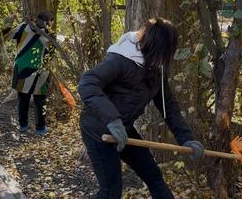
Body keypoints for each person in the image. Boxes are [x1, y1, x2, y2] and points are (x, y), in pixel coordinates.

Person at [78, 18, 205, 199]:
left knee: (154, 178)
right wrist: (112, 120)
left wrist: (187, 139)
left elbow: (169, 106)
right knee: (110, 194)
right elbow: (87, 83)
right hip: (98, 130)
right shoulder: (120, 59)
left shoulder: (155, 69)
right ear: (155, 45)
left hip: (125, 128)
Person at [3, 12, 54, 135]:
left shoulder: (23, 26)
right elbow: (51, 54)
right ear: (49, 22)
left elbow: (6, 35)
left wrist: (9, 19)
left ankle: (23, 126)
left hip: (22, 68)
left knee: (23, 99)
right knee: (40, 100)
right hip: (40, 70)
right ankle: (40, 128)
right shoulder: (49, 35)